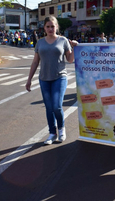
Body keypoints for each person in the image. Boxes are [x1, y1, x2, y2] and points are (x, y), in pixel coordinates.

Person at [25, 16, 78, 145]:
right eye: (48, 26)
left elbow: (70, 59)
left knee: (56, 106)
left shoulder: (63, 40)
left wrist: (75, 48)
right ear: (44, 28)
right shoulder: (40, 42)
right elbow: (35, 62)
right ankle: (52, 133)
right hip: (44, 78)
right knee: (49, 108)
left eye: (52, 26)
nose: (50, 29)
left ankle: (61, 129)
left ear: (56, 27)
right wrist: (29, 79)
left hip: (59, 77)